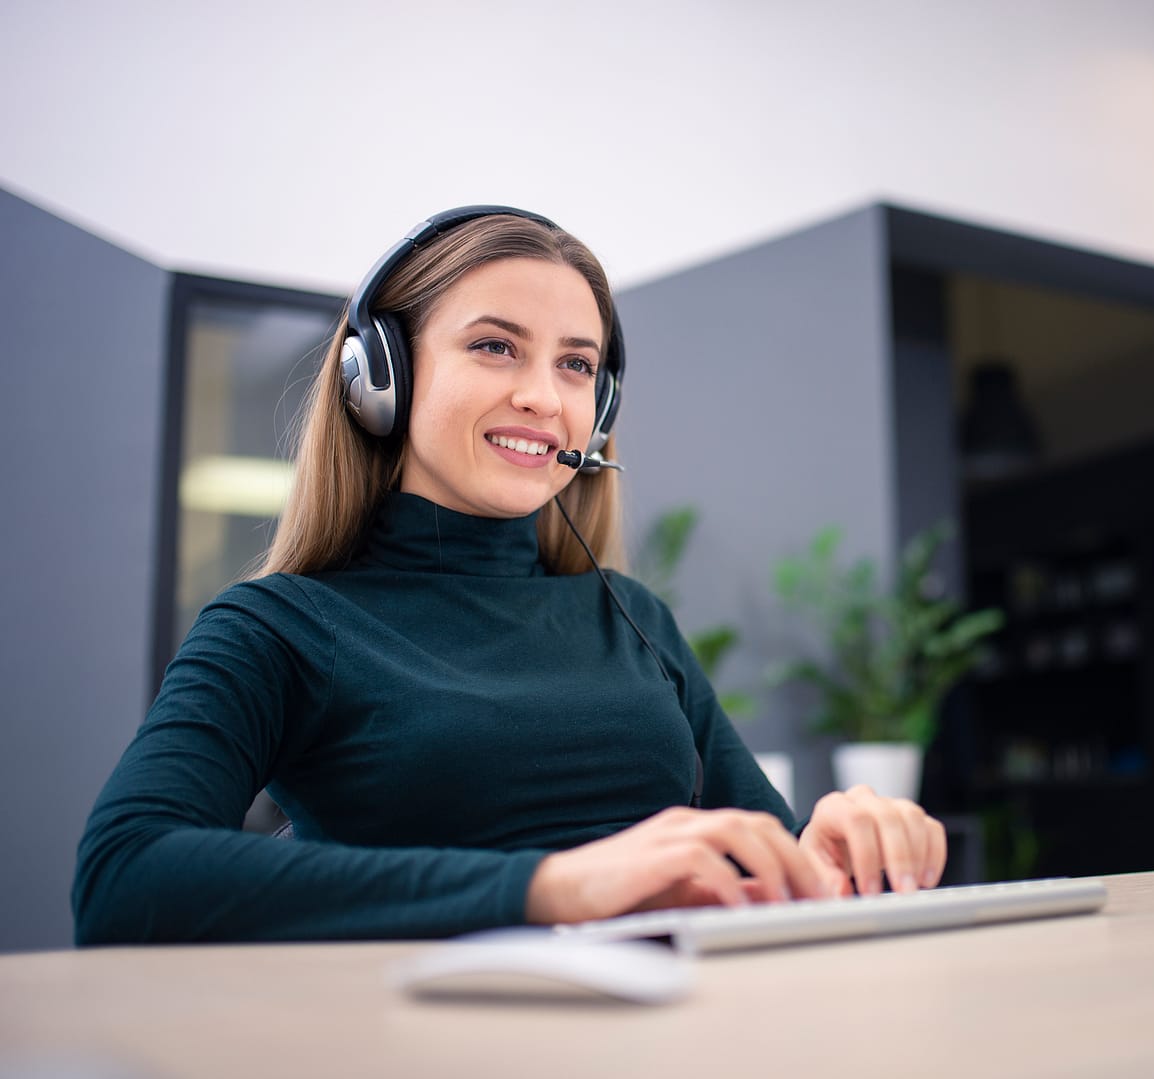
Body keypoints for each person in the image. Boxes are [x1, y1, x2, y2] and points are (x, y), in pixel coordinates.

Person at [73, 206, 947, 945]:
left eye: (575, 363)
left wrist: (826, 854)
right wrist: (548, 887)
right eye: (495, 346)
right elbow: (123, 876)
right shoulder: (277, 625)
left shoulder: (629, 616)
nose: (544, 395)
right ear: (381, 376)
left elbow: (759, 858)